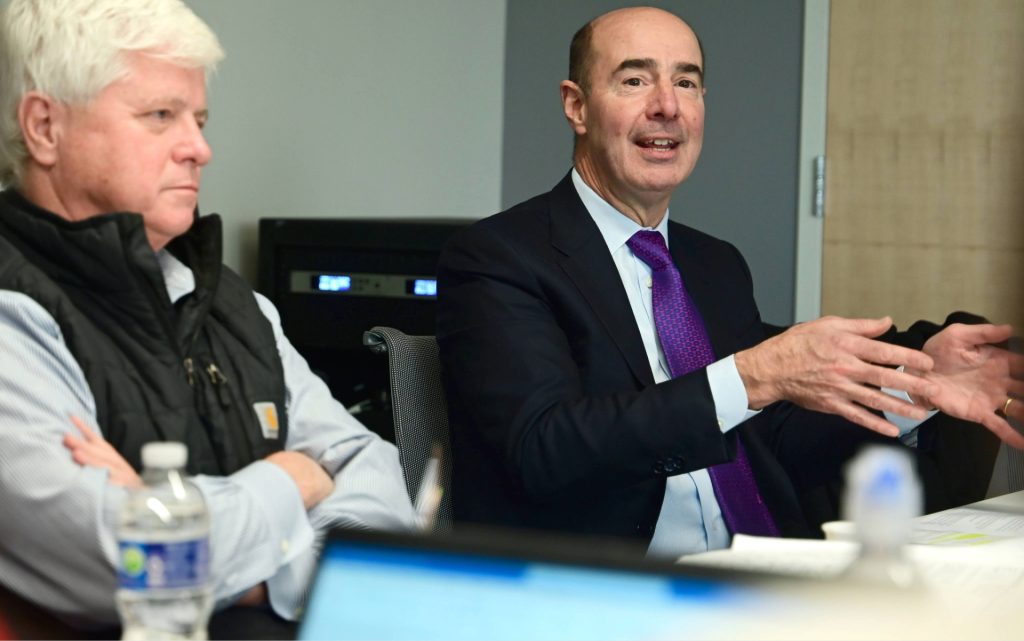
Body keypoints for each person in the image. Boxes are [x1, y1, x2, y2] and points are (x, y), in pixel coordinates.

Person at [436, 6, 1024, 557]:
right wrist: (753, 374)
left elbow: (774, 438)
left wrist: (912, 387)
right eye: (635, 80)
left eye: (686, 82)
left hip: (768, 566)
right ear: (577, 106)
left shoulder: (714, 262)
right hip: (608, 587)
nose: (667, 105)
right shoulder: (499, 258)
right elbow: (545, 449)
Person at [0, 0, 415, 630]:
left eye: (198, 118)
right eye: (160, 116)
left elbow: (375, 479)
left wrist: (198, 537)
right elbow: (123, 564)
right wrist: (291, 479)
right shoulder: (14, 312)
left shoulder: (232, 301)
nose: (199, 148)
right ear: (44, 128)